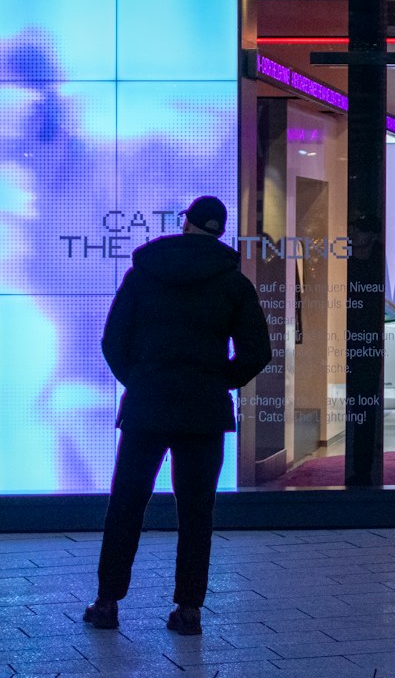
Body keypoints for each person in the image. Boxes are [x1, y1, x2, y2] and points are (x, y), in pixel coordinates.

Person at [84, 196, 271, 636]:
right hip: (203, 413)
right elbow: (257, 353)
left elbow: (113, 340)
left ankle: (107, 603)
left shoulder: (143, 274)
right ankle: (188, 611)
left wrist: (142, 379)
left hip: (146, 409)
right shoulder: (232, 283)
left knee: (126, 505)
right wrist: (216, 379)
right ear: (220, 231)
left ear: (185, 224)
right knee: (195, 513)